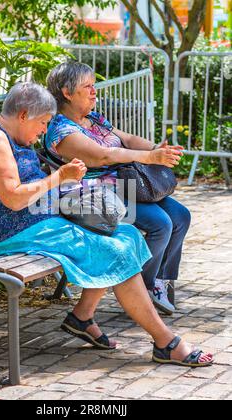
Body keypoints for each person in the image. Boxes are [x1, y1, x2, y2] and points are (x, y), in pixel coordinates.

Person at [0, 82, 213, 367]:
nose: (43, 131)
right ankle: (165, 342)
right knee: (114, 250)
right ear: (22, 115)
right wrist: (59, 178)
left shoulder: (12, 135)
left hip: (44, 223)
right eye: (42, 123)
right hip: (18, 232)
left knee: (126, 234)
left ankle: (82, 316)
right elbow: (14, 200)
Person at [46, 61, 191, 315]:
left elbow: (126, 139)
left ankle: (159, 279)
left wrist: (156, 148)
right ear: (67, 93)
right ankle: (144, 288)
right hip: (94, 198)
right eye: (87, 86)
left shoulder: (93, 118)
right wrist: (149, 159)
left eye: (94, 85)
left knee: (180, 216)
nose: (94, 91)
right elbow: (102, 156)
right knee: (161, 223)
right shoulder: (61, 131)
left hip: (128, 185)